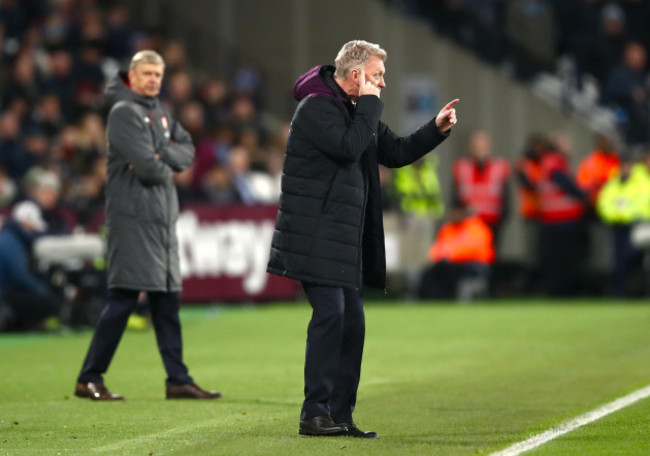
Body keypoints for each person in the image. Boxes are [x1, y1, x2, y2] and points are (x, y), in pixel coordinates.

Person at [267, 40, 457, 438]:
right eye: (378, 76)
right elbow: (349, 147)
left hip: (342, 237)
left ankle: (340, 414)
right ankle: (313, 413)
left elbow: (397, 151)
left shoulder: (354, 110)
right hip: (314, 234)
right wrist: (369, 105)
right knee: (332, 316)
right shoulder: (317, 108)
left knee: (351, 321)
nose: (383, 84)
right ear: (356, 75)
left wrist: (435, 130)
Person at [74, 50, 220, 401]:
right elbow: (150, 168)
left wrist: (162, 154)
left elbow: (187, 152)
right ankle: (89, 377)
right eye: (148, 74)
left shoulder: (160, 112)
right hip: (133, 221)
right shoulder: (124, 113)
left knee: (167, 302)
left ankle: (177, 379)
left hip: (160, 221)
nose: (154, 79)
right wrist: (162, 156)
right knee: (124, 298)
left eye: (158, 74)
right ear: (133, 77)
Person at [0, 201, 62, 331]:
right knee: (49, 302)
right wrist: (41, 290)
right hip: (5, 294)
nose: (33, 231)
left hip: (6, 291)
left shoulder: (9, 238)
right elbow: (18, 275)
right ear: (26, 222)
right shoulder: (10, 241)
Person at [419, 202, 495, 300]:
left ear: (464, 213)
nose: (455, 215)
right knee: (431, 272)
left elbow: (473, 249)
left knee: (456, 270)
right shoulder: (448, 229)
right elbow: (438, 248)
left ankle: (459, 296)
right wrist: (441, 255)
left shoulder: (477, 228)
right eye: (454, 213)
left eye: (458, 212)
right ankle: (437, 298)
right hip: (453, 264)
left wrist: (451, 254)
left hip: (475, 263)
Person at [452, 129, 510, 245]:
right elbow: (455, 196)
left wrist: (502, 219)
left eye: (482, 145)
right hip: (468, 223)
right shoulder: (462, 167)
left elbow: (506, 197)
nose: (479, 149)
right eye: (476, 145)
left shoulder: (500, 167)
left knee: (490, 255)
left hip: (492, 222)